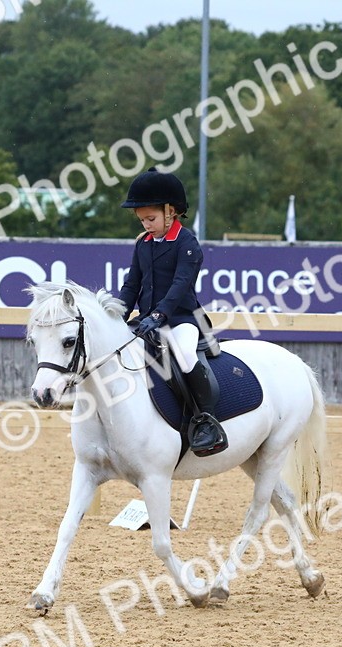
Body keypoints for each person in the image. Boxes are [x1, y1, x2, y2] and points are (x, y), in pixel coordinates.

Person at [118, 166, 228, 456]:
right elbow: (132, 284)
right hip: (148, 320)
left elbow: (180, 285)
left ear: (171, 211)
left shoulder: (187, 244)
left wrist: (158, 315)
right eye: (142, 220)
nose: (146, 225)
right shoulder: (143, 244)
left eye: (151, 218)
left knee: (185, 355)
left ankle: (206, 420)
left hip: (181, 318)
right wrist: (118, 314)